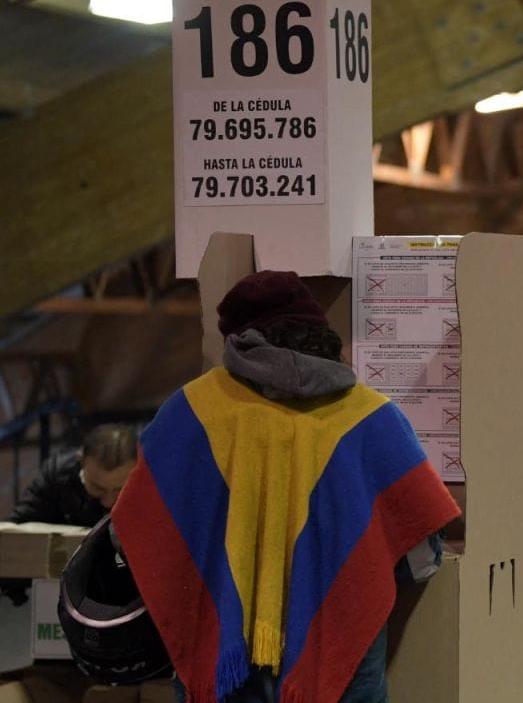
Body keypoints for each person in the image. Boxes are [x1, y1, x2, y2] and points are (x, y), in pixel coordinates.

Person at [111, 271, 460, 703]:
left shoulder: (191, 411)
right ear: (319, 331)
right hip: (340, 654)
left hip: (223, 660)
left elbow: (130, 533)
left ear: (237, 339)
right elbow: (422, 557)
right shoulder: (374, 417)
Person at [10, 424, 138, 526]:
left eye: (120, 490)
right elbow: (17, 527)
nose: (108, 502)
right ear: (81, 460)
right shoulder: (58, 474)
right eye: (97, 488)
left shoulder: (153, 482)